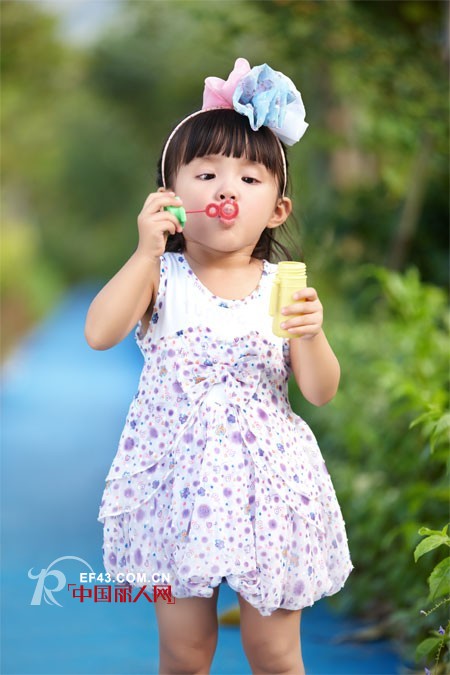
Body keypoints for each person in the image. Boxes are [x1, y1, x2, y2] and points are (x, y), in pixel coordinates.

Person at [85, 58, 353, 675]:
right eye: (205, 175)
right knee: (185, 652)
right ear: (171, 198)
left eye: (249, 179)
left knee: (274, 651)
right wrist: (145, 250)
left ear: (278, 209)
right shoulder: (160, 276)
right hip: (174, 488)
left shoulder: (283, 286)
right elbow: (99, 333)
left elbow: (319, 391)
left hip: (271, 488)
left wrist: (311, 334)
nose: (225, 191)